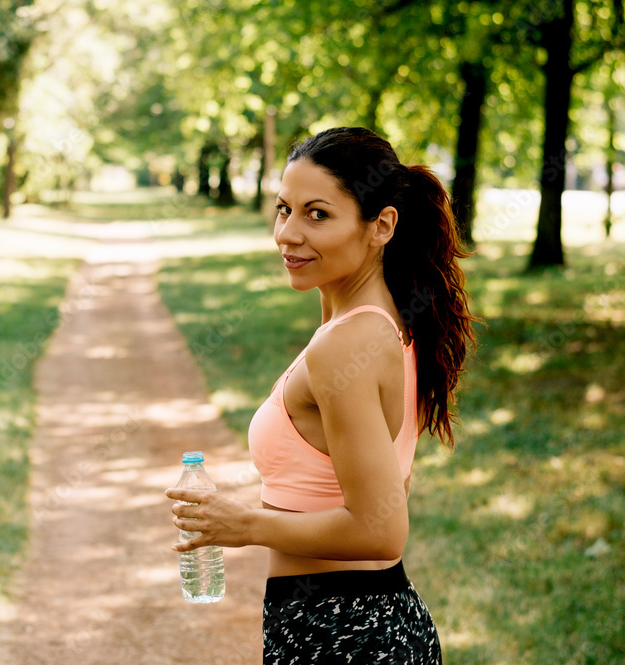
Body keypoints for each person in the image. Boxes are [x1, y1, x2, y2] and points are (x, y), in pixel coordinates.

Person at [166, 126, 477, 664]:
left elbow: (382, 530)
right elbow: (390, 482)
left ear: (381, 226)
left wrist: (244, 525)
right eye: (284, 209)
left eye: (318, 214)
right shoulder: (384, 322)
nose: (287, 234)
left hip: (344, 630)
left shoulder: (350, 341)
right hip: (350, 618)